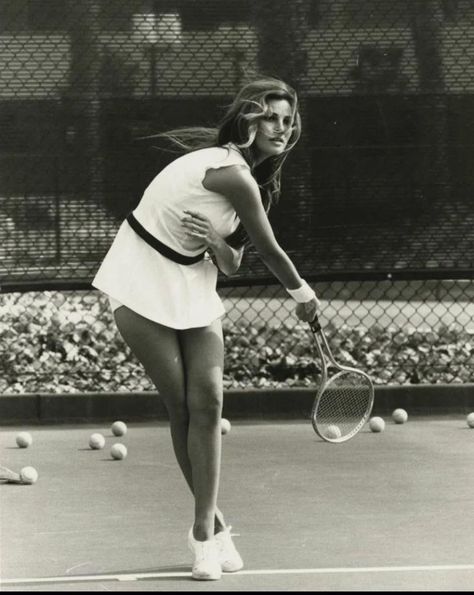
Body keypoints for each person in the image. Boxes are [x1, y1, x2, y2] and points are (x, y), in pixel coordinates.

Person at [92, 76, 320, 581]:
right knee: (182, 405)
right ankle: (207, 532)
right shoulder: (229, 172)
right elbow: (270, 251)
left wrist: (217, 246)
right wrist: (303, 295)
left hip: (194, 285)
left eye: (288, 120)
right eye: (271, 118)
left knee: (210, 402)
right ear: (249, 120)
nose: (281, 128)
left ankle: (206, 531)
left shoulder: (249, 179)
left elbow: (235, 261)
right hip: (139, 278)